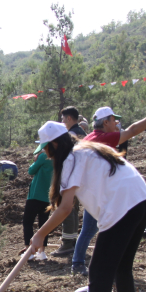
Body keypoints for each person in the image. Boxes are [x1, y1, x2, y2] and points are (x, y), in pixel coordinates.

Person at [30, 121, 146, 292]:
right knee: (122, 264)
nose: (45, 154)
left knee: (99, 272)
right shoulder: (87, 149)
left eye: (46, 148)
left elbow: (65, 208)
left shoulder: (70, 159)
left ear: (55, 144)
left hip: (122, 206)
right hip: (141, 200)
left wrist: (40, 235)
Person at [70, 104, 146, 275]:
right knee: (93, 229)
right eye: (114, 120)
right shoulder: (104, 138)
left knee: (92, 229)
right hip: (101, 193)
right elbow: (132, 131)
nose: (116, 123)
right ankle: (80, 263)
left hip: (97, 191)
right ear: (106, 122)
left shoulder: (92, 137)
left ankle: (81, 263)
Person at [52, 107, 86, 257]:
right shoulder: (82, 132)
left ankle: (67, 243)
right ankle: (72, 240)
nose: (62, 122)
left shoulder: (70, 134)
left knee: (68, 208)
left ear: (69, 119)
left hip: (72, 175)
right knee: (74, 208)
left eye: (63, 119)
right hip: (81, 175)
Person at [22, 139, 53, 261]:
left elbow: (31, 171)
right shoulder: (58, 157)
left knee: (28, 222)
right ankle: (42, 252)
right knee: (43, 224)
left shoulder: (43, 156)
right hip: (48, 196)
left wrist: (35, 160)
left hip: (35, 195)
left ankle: (29, 252)